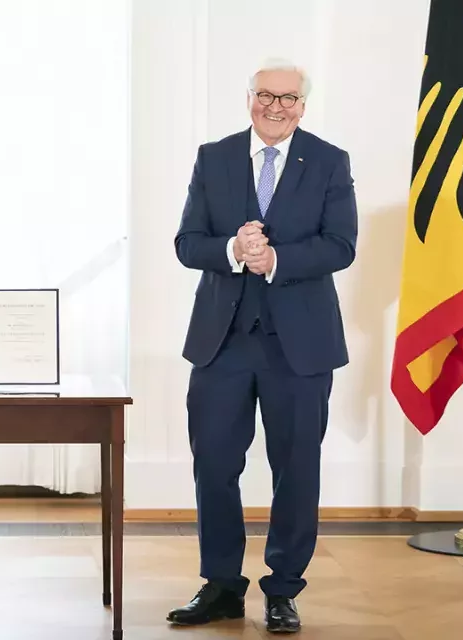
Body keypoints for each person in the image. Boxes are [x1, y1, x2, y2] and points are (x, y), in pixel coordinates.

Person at [168, 60, 357, 634]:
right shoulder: (215, 156)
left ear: (304, 105)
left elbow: (340, 245)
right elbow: (186, 243)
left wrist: (277, 260)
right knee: (215, 465)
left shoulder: (328, 160)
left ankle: (282, 590)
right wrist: (231, 247)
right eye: (266, 96)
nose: (277, 108)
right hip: (221, 345)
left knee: (296, 470)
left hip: (299, 348)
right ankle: (222, 584)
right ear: (248, 97)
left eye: (290, 100)